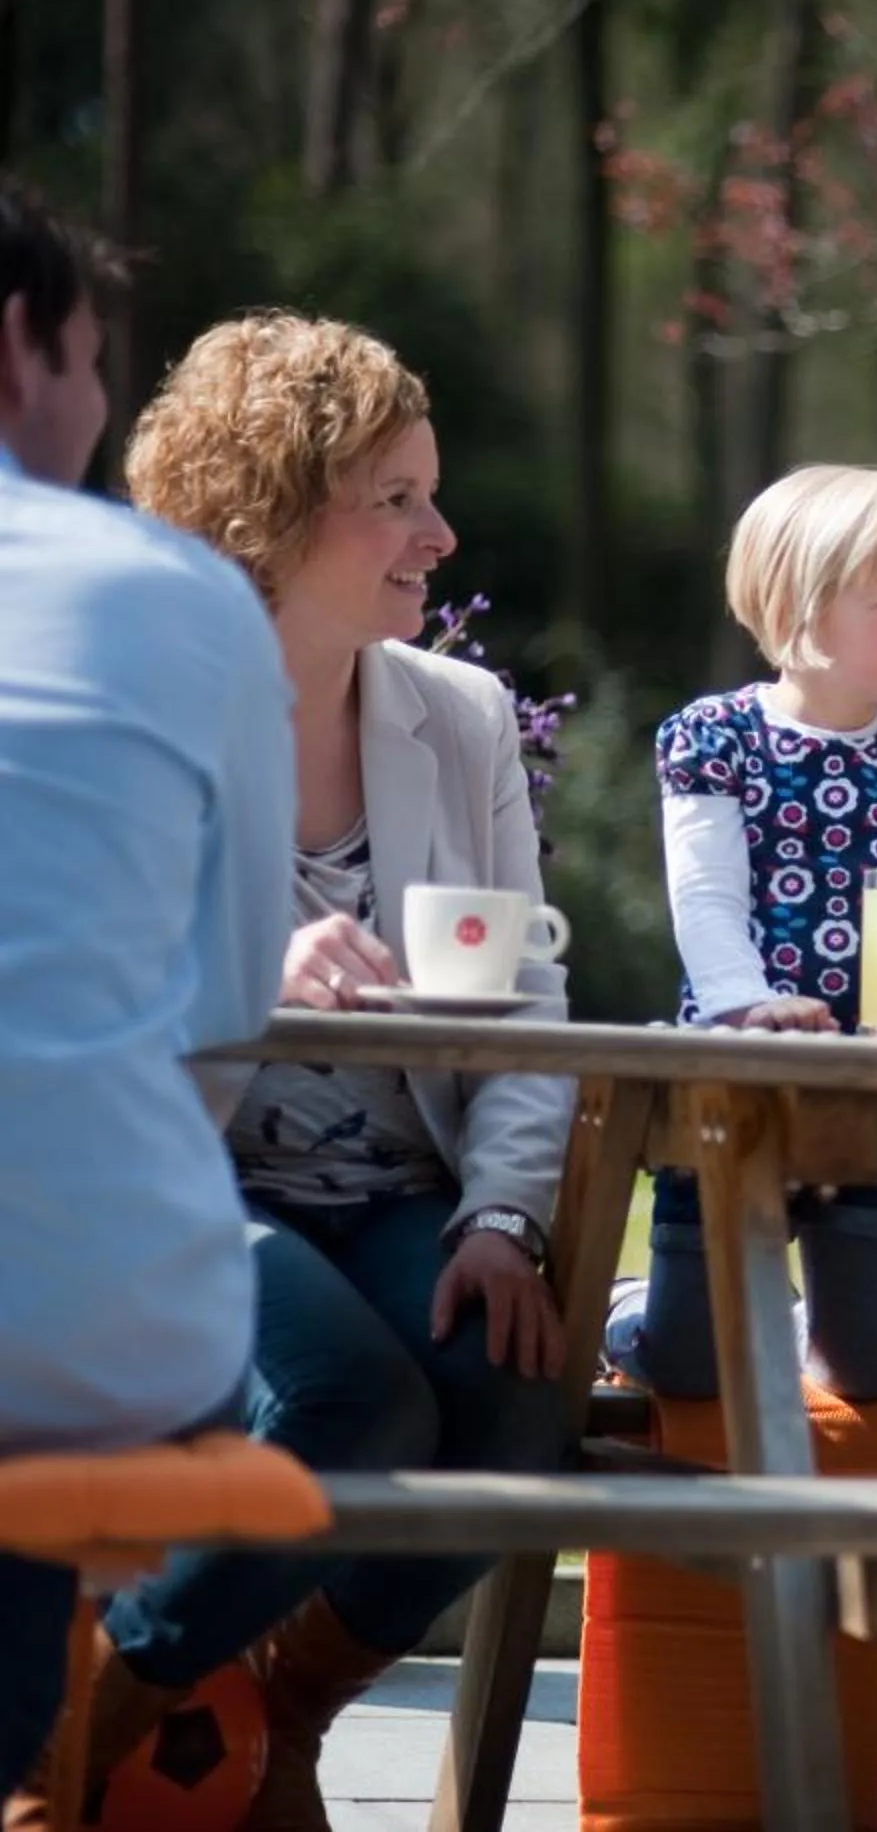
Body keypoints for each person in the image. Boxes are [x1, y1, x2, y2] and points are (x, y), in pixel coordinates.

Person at [105, 312, 580, 1830]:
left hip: (398, 1185)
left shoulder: (462, 716)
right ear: (269, 510)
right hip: (179, 1182)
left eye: (431, 495)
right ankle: (82, 1725)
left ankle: (285, 1718)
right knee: (349, 1400)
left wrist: (502, 1217)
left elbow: (527, 1001)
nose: (442, 536)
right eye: (397, 499)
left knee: (515, 1397)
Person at [0, 189, 294, 1806]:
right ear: (19, 350)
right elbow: (221, 1009)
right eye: (93, 357)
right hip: (76, 1324)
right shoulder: (172, 596)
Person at [603, 464, 877, 1400]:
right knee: (688, 1366)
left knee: (862, 1373)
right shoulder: (718, 738)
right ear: (798, 609)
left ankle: (781, 1318)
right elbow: (705, 898)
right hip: (737, 1088)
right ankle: (631, 1311)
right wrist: (747, 1006)